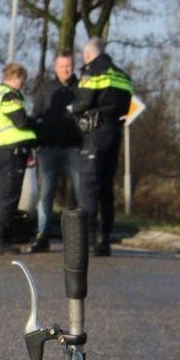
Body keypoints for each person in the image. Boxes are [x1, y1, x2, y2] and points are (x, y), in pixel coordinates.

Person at [69, 39, 134, 256]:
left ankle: (88, 239)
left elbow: (84, 102)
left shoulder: (93, 73)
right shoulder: (123, 76)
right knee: (106, 187)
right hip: (114, 133)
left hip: (95, 134)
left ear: (88, 55)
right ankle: (104, 239)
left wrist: (71, 109)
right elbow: (126, 106)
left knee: (89, 185)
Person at [25, 54, 83, 252]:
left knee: (82, 191)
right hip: (48, 148)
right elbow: (36, 116)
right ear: (55, 67)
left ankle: (85, 235)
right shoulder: (46, 89)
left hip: (73, 148)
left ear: (73, 67)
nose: (65, 69)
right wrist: (38, 140)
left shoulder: (82, 88)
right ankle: (42, 235)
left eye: (68, 66)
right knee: (46, 194)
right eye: (62, 66)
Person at [0, 63, 40, 255]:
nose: (23, 84)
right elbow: (21, 121)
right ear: (16, 77)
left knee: (0, 197)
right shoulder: (9, 95)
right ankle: (0, 240)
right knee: (8, 198)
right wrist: (36, 123)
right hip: (11, 152)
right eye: (22, 80)